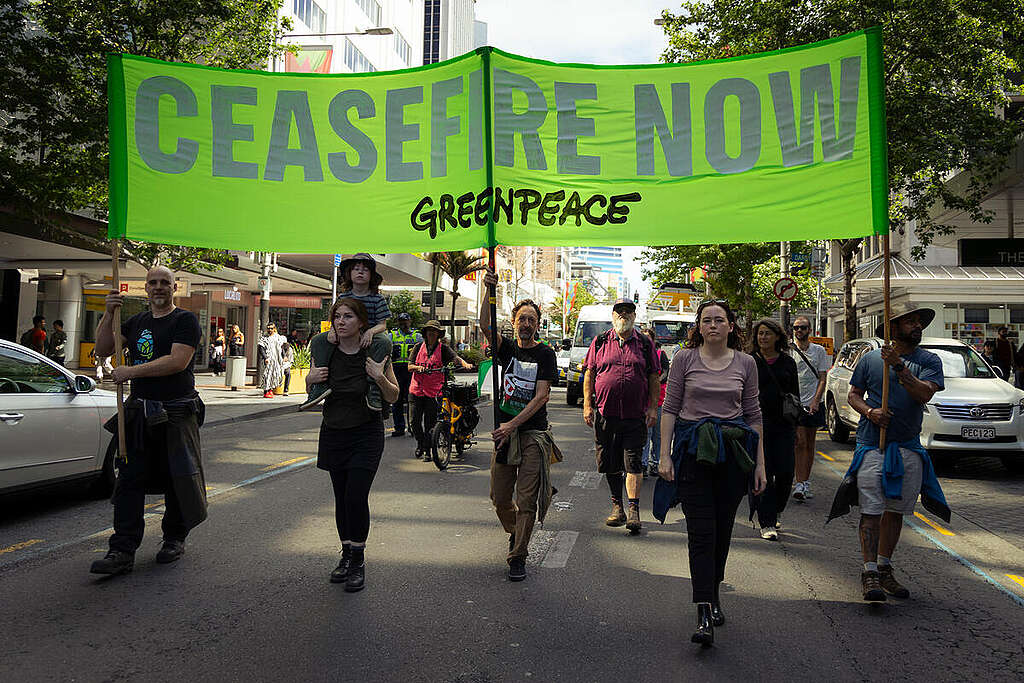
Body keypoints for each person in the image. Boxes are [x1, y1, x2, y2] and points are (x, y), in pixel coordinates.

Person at [653, 300, 767, 647]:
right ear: (699, 327)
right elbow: (670, 408)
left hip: (732, 454)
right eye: (707, 320)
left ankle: (714, 591)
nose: (713, 325)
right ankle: (703, 608)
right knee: (701, 532)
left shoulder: (747, 363)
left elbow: (753, 415)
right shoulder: (684, 359)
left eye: (720, 320)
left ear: (731, 326)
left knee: (722, 531)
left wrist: (760, 464)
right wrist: (664, 455)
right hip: (693, 452)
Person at [89, 266, 206, 576]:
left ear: (174, 287)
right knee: (129, 481)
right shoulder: (136, 321)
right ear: (145, 288)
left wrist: (131, 372)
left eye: (164, 283)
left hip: (176, 413)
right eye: (152, 283)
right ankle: (122, 549)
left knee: (177, 477)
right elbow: (102, 349)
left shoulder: (185, 321)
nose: (158, 287)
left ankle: (174, 539)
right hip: (140, 413)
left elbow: (177, 361)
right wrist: (108, 313)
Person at [829, 307, 948, 602]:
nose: (917, 326)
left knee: (895, 512)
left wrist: (899, 367)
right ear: (893, 328)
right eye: (910, 321)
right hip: (873, 445)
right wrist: (870, 412)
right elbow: (854, 394)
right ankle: (869, 572)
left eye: (919, 322)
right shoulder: (870, 360)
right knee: (871, 510)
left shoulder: (929, 361)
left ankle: (884, 567)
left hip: (908, 446)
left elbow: (924, 394)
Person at [306, 297, 398, 592]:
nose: (340, 321)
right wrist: (310, 377)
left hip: (366, 434)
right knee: (341, 497)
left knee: (356, 496)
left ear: (361, 322)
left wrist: (379, 378)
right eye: (337, 316)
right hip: (334, 431)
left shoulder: (376, 351)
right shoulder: (325, 349)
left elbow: (394, 395)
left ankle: (358, 561)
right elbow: (311, 386)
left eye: (347, 316)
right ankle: (346, 555)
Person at [480, 270, 560, 582]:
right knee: (500, 498)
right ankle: (516, 532)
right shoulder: (507, 350)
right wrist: (489, 290)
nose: (526, 323)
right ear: (514, 322)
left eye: (531, 319)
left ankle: (519, 555)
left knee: (526, 499)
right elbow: (486, 325)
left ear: (537, 324)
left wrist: (511, 424)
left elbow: (541, 397)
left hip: (532, 435)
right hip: (505, 437)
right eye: (521, 318)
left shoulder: (545, 353)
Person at [583, 298, 660, 534]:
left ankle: (634, 510)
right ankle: (617, 507)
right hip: (606, 414)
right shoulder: (600, 342)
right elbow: (590, 373)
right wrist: (587, 405)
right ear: (613, 315)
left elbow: (654, 378)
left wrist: (653, 408)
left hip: (635, 416)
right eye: (619, 312)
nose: (623, 315)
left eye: (628, 312)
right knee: (610, 462)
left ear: (634, 317)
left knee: (634, 462)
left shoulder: (645, 344)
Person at [304, 253, 391, 410]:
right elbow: (336, 317)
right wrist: (332, 330)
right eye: (356, 269)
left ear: (371, 275)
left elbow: (382, 324)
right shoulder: (343, 296)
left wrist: (370, 332)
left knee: (385, 341)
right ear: (349, 274)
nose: (360, 272)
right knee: (318, 340)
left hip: (369, 336)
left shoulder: (378, 299)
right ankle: (320, 383)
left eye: (365, 270)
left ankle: (373, 388)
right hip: (346, 336)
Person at [749, 319, 799, 540]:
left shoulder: (788, 363)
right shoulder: (750, 361)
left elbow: (795, 395)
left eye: (768, 333)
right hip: (757, 425)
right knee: (764, 472)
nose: (763, 338)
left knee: (786, 473)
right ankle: (766, 521)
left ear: (777, 337)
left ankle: (776, 508)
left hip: (784, 425)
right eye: (760, 334)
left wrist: (796, 426)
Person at [408, 320, 473, 461]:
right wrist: (418, 368)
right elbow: (409, 366)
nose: (431, 333)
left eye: (434, 331)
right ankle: (420, 442)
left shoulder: (443, 349)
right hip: (416, 390)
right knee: (414, 422)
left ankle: (427, 450)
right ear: (425, 333)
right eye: (429, 330)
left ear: (438, 334)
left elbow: (455, 358)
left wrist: (465, 364)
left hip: (434, 392)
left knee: (430, 424)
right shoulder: (418, 347)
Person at [789, 316, 831, 502]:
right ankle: (799, 482)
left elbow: (823, 378)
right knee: (800, 443)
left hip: (813, 403)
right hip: (795, 404)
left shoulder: (819, 351)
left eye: (803, 328)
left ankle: (805, 481)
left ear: (810, 330)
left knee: (810, 443)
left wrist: (816, 400)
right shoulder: (789, 351)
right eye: (796, 328)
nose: (799, 331)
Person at [641, 327, 670, 478]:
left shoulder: (660, 354)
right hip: (643, 402)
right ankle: (643, 463)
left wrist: (655, 382)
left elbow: (665, 372)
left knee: (658, 435)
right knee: (646, 433)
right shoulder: (638, 354)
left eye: (648, 337)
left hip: (659, 400)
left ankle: (655, 462)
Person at [389, 312, 421, 437]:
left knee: (411, 400)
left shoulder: (417, 336)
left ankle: (413, 427)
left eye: (406, 321)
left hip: (411, 371)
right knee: (396, 400)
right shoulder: (392, 336)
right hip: (396, 370)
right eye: (401, 321)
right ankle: (399, 428)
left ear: (410, 321)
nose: (404, 323)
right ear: (398, 322)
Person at [258, 323, 286, 398]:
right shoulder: (264, 338)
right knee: (267, 374)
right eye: (268, 328)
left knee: (274, 375)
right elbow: (261, 348)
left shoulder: (278, 337)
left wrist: (284, 356)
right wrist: (265, 357)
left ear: (274, 329)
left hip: (276, 359)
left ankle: (270, 389)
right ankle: (266, 391)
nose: (270, 330)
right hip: (268, 358)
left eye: (271, 328)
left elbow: (281, 348)